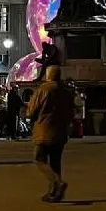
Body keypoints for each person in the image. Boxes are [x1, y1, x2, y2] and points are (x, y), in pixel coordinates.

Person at [27, 65, 75, 203]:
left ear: (48, 76)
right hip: (60, 131)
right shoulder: (66, 92)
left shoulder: (43, 90)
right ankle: (54, 192)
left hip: (44, 130)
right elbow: (71, 112)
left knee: (39, 159)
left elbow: (31, 111)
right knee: (55, 161)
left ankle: (57, 183)